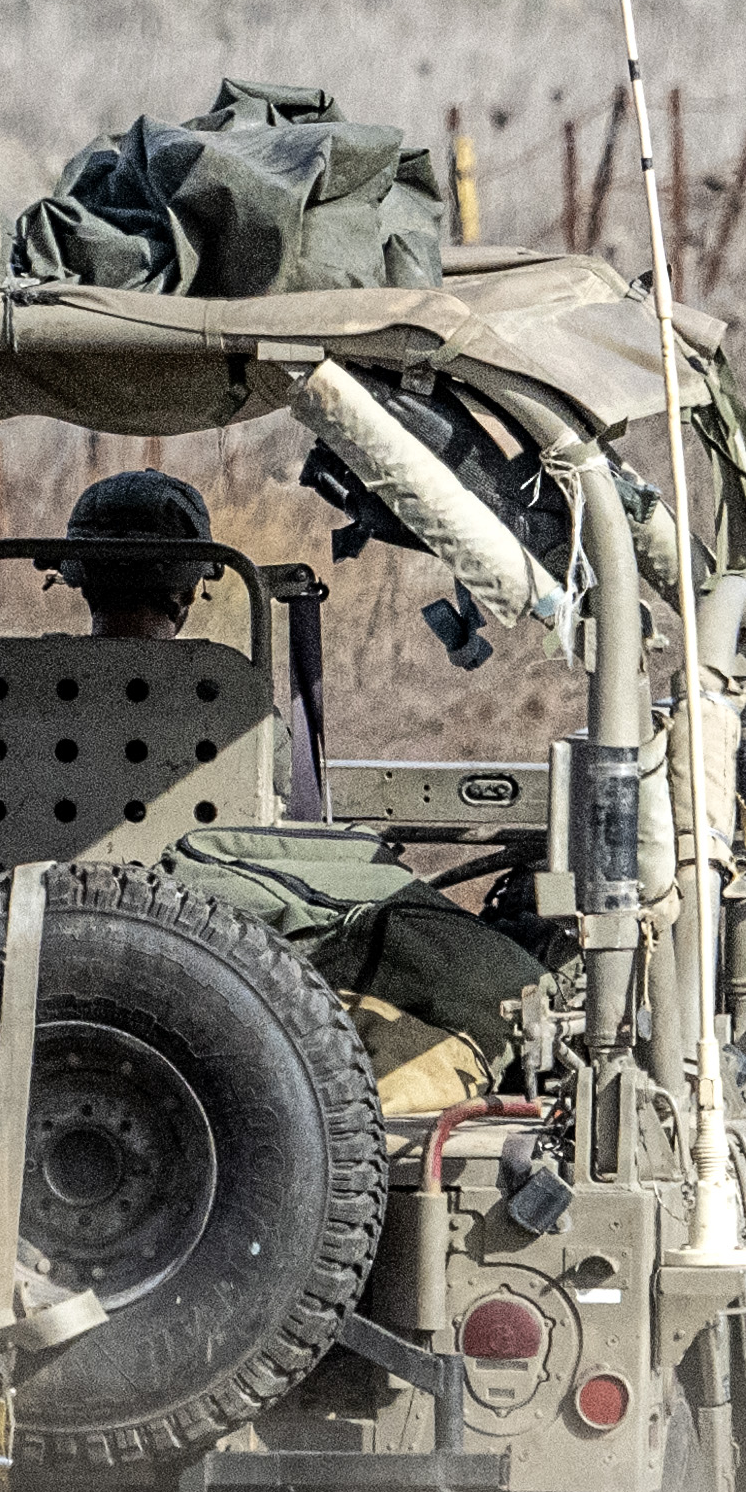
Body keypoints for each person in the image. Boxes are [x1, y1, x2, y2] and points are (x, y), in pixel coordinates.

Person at [56, 465, 567, 1086]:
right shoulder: (224, 701)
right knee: (503, 984)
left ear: (76, 574)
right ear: (192, 587)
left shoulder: (1, 686)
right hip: (209, 934)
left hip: (37, 932)